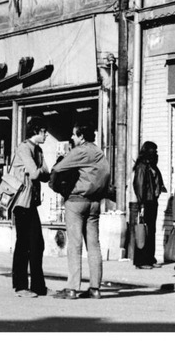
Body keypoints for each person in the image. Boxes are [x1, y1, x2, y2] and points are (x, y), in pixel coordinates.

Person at [49, 121, 111, 300]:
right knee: (94, 245)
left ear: (81, 136)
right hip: (95, 203)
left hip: (76, 201)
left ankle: (72, 288)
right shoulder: (99, 152)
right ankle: (95, 288)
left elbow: (58, 168)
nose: (72, 137)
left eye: (74, 134)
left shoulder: (80, 151)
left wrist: (57, 186)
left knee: (75, 245)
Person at [10, 119, 51, 297]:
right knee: (23, 244)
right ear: (36, 131)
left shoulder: (38, 150)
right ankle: (20, 286)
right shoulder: (24, 148)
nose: (46, 134)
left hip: (31, 202)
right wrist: (38, 171)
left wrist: (38, 171)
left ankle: (38, 286)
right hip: (21, 202)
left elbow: (45, 175)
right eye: (44, 131)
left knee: (37, 244)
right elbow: (36, 173)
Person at [131, 140, 167, 269]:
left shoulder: (151, 166)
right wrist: (141, 203)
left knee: (151, 230)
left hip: (152, 201)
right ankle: (141, 261)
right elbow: (139, 185)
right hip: (146, 202)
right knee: (143, 231)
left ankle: (150, 258)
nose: (156, 153)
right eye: (153, 151)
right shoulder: (142, 166)